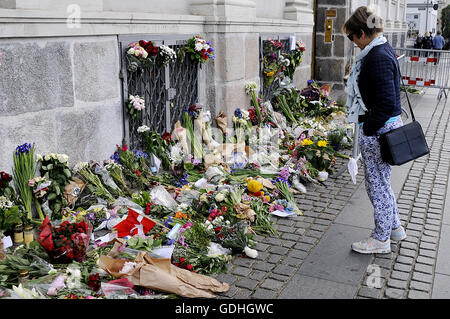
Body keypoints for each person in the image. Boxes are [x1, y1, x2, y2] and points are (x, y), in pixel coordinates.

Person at [343, 6, 407, 254]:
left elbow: (387, 101)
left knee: (376, 186)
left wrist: (368, 128)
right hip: (385, 127)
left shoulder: (377, 56)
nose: (352, 43)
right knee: (382, 183)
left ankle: (380, 239)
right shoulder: (381, 48)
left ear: (362, 32)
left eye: (352, 37)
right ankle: (395, 227)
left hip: (380, 130)